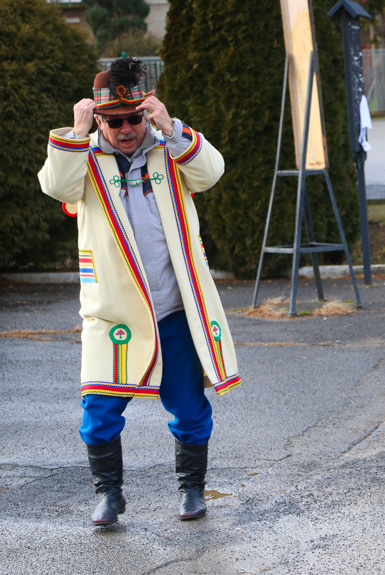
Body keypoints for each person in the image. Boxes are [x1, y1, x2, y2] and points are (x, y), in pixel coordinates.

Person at [38, 58, 241, 526]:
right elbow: (55, 186)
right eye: (114, 121)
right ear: (101, 120)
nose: (126, 129)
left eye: (134, 118)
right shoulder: (83, 158)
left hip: (173, 311)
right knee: (99, 412)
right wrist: (77, 130)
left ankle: (192, 490)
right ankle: (110, 493)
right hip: (113, 316)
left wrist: (172, 126)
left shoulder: (169, 151)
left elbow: (211, 173)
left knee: (190, 409)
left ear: (145, 115)